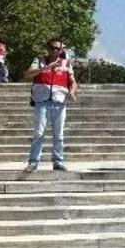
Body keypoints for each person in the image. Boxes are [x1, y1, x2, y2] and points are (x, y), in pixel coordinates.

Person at [23, 38, 78, 173]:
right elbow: (28, 74)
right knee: (38, 133)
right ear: (48, 48)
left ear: (61, 50)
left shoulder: (66, 63)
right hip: (41, 100)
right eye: (52, 48)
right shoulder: (39, 60)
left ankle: (58, 161)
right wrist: (46, 68)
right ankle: (33, 162)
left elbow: (72, 81)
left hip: (59, 101)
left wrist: (72, 92)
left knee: (59, 135)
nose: (54, 51)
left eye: (57, 48)